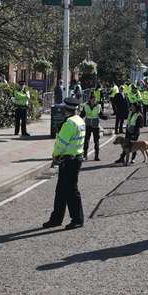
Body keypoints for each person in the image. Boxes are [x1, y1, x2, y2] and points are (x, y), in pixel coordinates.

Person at [44, 93, 87, 229]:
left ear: (65, 109)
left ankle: (77, 219)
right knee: (61, 191)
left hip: (68, 160)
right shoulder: (80, 120)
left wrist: (55, 155)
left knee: (71, 191)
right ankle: (56, 218)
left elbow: (61, 143)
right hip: (75, 158)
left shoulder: (69, 123)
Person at [81, 92, 105, 160]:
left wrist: (105, 117)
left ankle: (96, 156)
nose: (94, 101)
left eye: (95, 100)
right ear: (90, 100)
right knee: (86, 140)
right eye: (93, 100)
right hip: (88, 125)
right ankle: (85, 155)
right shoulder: (86, 106)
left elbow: (101, 115)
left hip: (95, 125)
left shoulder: (98, 106)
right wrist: (78, 118)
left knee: (96, 141)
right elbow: (82, 114)